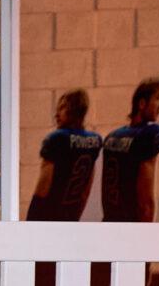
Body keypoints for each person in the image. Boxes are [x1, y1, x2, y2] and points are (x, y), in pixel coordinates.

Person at [100, 77, 159, 224]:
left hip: (108, 224)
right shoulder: (152, 133)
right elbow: (146, 202)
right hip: (131, 228)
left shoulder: (112, 136)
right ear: (142, 103)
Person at [26, 90, 103, 223]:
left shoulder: (57, 138)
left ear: (74, 110)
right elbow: (86, 190)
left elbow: (43, 188)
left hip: (48, 213)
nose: (56, 114)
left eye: (62, 107)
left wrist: (31, 220)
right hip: (71, 213)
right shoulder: (95, 140)